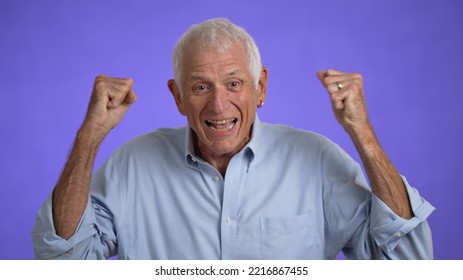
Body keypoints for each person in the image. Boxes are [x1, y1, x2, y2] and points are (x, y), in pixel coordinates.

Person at [32, 18, 434, 260]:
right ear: (177, 97)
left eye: (235, 83)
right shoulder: (132, 166)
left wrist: (362, 134)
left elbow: (407, 262)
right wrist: (89, 137)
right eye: (201, 87)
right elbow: (63, 261)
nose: (219, 105)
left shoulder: (316, 160)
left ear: (260, 88)